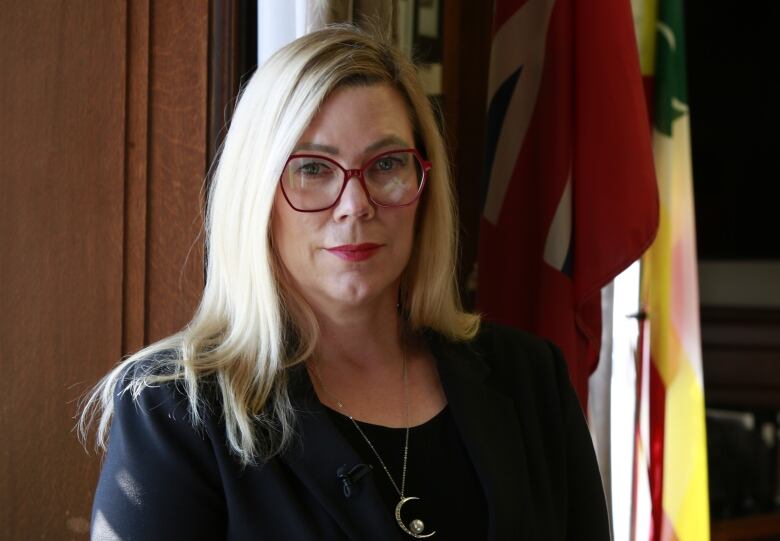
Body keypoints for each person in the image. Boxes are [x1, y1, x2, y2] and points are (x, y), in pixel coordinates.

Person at [80, 24, 610, 541]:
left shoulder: (530, 380)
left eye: (386, 164)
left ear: (424, 188)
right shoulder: (174, 411)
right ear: (256, 196)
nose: (355, 205)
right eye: (313, 168)